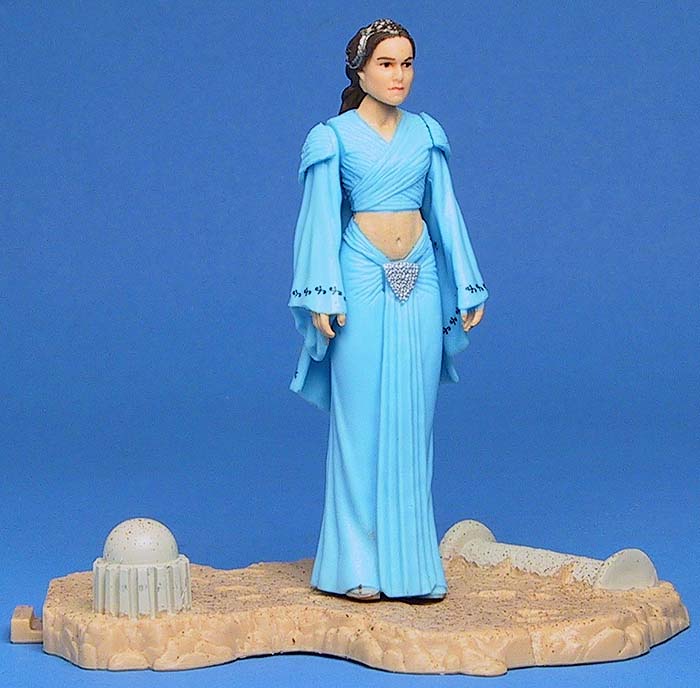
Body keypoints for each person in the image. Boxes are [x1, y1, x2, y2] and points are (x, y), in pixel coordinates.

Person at [289, 18, 488, 601]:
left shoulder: (426, 133)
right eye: (385, 64)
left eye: (407, 64)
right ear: (359, 70)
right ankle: (355, 564)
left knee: (414, 419)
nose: (399, 76)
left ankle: (412, 566)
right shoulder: (332, 138)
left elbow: (446, 210)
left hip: (420, 281)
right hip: (357, 281)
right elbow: (318, 221)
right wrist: (323, 291)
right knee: (359, 422)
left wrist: (468, 282)